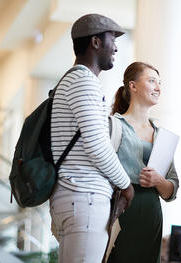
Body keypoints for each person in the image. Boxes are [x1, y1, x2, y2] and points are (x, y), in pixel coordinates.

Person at [49, 14, 135, 263]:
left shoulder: (71, 80)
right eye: (112, 39)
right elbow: (97, 146)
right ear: (95, 43)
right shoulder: (84, 81)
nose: (116, 46)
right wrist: (125, 185)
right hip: (84, 197)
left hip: (73, 196)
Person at [107, 62, 179, 263]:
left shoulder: (161, 134)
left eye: (160, 83)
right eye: (151, 81)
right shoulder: (113, 126)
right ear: (133, 86)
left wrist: (158, 181)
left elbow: (172, 189)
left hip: (151, 213)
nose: (158, 87)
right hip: (120, 209)